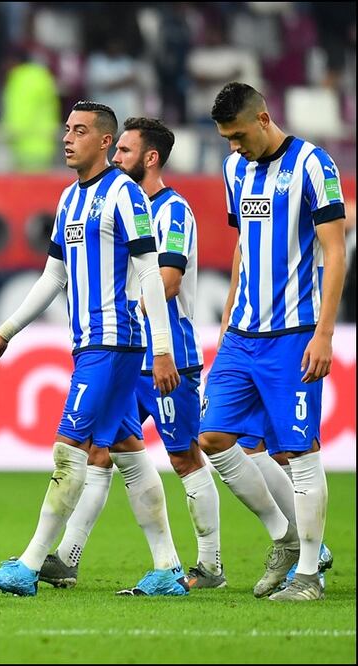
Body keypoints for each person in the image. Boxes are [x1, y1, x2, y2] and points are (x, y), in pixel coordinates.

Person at [0, 101, 187, 597]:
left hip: (114, 341)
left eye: (80, 130)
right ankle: (168, 568)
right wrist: (6, 331)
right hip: (90, 342)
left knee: (68, 448)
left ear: (106, 141)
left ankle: (29, 564)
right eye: (67, 129)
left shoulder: (125, 194)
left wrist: (161, 349)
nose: (67, 138)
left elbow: (150, 273)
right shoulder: (69, 198)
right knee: (127, 450)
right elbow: (54, 276)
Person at [37, 117, 225, 590]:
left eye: (124, 151)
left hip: (169, 356)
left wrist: (121, 305)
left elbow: (169, 280)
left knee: (185, 457)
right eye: (116, 149)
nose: (116, 158)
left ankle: (210, 566)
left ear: (150, 157)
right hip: (126, 356)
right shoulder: (112, 203)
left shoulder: (173, 211)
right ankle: (67, 558)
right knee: (102, 451)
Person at [198, 82, 344, 601]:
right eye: (226, 139)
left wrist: (324, 332)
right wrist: (226, 318)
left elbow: (335, 250)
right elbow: (244, 245)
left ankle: (308, 577)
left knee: (299, 451)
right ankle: (285, 537)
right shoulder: (233, 169)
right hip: (242, 334)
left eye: (239, 135)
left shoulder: (313, 164)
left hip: (293, 334)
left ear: (263, 119)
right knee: (213, 438)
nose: (234, 146)